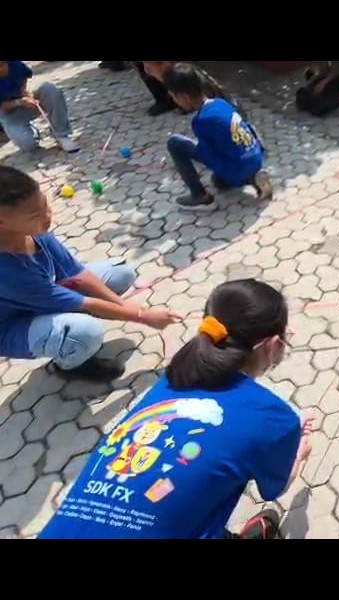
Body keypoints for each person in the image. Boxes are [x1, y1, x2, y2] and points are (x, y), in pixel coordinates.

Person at [38, 278, 312, 540]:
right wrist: (297, 452)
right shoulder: (273, 417)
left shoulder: (170, 380)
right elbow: (274, 489)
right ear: (273, 345)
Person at [0, 166, 180, 382]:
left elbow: (78, 274)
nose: (48, 216)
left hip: (41, 297)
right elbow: (85, 302)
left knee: (120, 273)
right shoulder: (7, 272)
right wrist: (143, 317)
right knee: (85, 331)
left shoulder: (34, 232)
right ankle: (69, 364)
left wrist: (131, 309)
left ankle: (69, 328)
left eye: (45, 205)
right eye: (35, 215)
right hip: (12, 325)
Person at [161, 63, 271, 211]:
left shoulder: (200, 121)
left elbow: (207, 155)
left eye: (174, 97)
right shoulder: (221, 103)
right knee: (218, 182)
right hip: (256, 159)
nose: (175, 101)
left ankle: (200, 197)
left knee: (174, 143)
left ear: (184, 97)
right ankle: (253, 178)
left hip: (237, 169)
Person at [0, 61, 79, 153]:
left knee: (50, 89)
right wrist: (19, 102)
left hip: (26, 102)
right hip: (9, 113)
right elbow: (2, 108)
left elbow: (24, 76)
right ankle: (32, 132)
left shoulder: (15, 64)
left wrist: (23, 91)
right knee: (28, 146)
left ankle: (61, 135)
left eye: (1, 65)